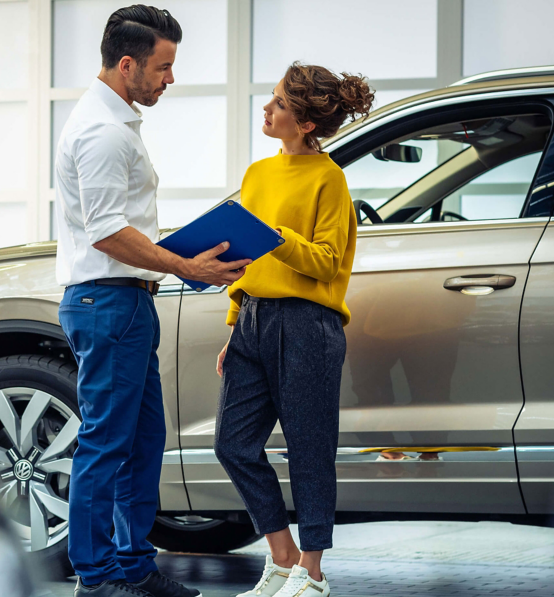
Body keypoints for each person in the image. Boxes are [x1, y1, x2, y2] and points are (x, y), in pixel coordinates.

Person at [54, 6, 252, 597]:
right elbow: (107, 232)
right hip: (107, 303)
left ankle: (135, 566)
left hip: (126, 303)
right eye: (163, 67)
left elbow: (118, 227)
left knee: (142, 443)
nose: (170, 79)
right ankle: (96, 577)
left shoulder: (117, 123)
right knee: (106, 442)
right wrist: (187, 265)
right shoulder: (102, 133)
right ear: (126, 64)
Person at [213, 62, 374, 597]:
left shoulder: (330, 179)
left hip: (308, 325)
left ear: (305, 123)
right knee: (233, 444)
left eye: (279, 102)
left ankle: (313, 572)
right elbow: (243, 256)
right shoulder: (258, 174)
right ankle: (281, 556)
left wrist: (277, 235)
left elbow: (329, 263)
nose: (268, 107)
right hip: (253, 319)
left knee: (308, 447)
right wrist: (235, 324)